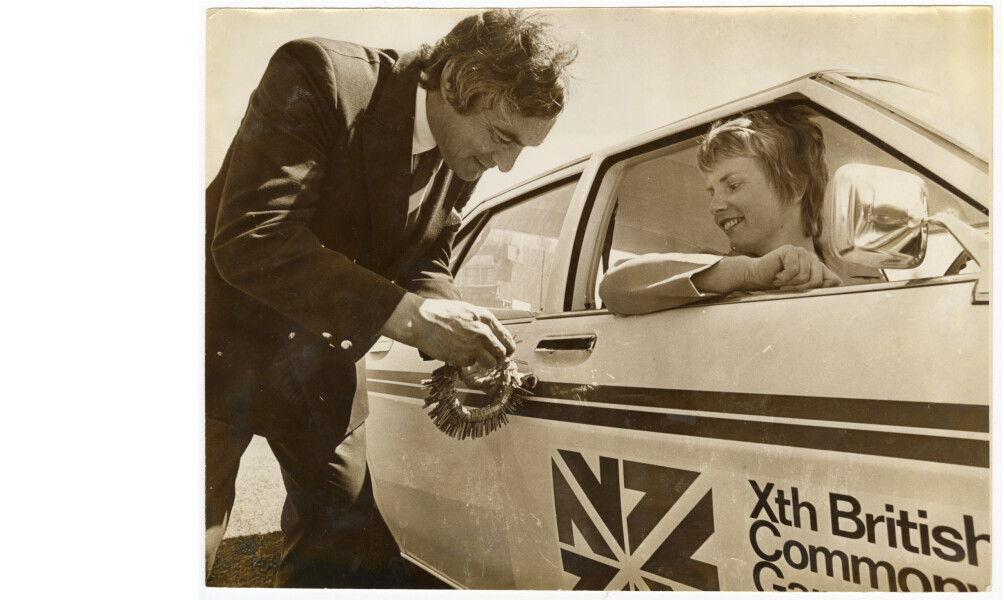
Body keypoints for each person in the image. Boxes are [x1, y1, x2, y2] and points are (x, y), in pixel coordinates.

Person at [204, 10, 576, 587]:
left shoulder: (463, 146)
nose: (505, 164)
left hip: (319, 365)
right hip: (217, 349)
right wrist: (410, 317)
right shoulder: (319, 75)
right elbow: (254, 237)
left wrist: (452, 317)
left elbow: (427, 254)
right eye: (504, 138)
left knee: (346, 552)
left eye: (522, 148)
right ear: (454, 83)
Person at [599, 105, 880, 315]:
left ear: (795, 186)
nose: (714, 206)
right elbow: (613, 287)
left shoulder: (859, 271)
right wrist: (750, 273)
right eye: (712, 191)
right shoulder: (720, 272)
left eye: (732, 185)